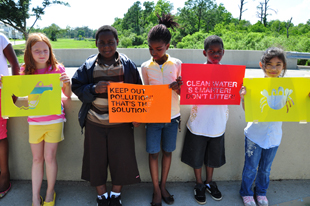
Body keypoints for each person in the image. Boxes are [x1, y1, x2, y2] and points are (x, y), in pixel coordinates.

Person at [71, 25, 141, 206]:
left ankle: (116, 194)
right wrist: (94, 88)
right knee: (96, 160)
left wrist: (137, 115)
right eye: (101, 43)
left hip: (122, 124)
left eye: (111, 42)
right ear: (96, 43)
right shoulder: (89, 65)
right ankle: (101, 195)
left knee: (121, 160)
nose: (106, 46)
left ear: (117, 42)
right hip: (95, 122)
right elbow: (76, 86)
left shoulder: (127, 65)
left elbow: (139, 92)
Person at [21, 33, 72, 206]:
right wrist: (5, 85)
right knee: (37, 159)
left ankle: (50, 193)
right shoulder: (24, 71)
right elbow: (18, 94)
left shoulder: (58, 69)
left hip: (54, 121)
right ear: (29, 52)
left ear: (50, 51)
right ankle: (35, 197)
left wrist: (67, 83)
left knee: (49, 157)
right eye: (37, 51)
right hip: (34, 121)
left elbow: (67, 95)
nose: (42, 54)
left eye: (45, 50)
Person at [141, 13, 182, 206]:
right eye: (150, 48)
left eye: (158, 49)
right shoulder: (145, 67)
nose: (153, 52)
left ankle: (163, 185)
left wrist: (178, 87)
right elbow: (145, 95)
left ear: (168, 46)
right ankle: (156, 189)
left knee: (167, 151)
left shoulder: (177, 64)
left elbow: (184, 93)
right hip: (153, 118)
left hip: (173, 117)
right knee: (153, 153)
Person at [239, 47, 288, 206]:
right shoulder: (255, 85)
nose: (274, 68)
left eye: (278, 64)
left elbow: (295, 107)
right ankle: (246, 193)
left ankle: (261, 192)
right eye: (269, 64)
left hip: (274, 136)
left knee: (266, 169)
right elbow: (249, 111)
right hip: (255, 135)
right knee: (251, 168)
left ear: (283, 66)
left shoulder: (290, 87)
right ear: (262, 65)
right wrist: (244, 98)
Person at [181, 35, 226, 205]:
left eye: (219, 52)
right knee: (197, 155)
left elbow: (233, 92)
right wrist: (183, 85)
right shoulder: (196, 72)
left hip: (218, 122)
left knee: (212, 156)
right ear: (204, 52)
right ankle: (199, 183)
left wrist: (241, 90)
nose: (215, 55)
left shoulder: (229, 73)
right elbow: (188, 92)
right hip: (198, 121)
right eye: (211, 52)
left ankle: (209, 181)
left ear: (224, 52)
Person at [0, 33, 20, 199]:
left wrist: (13, 90)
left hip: (1, 92)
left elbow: (15, 64)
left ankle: (4, 177)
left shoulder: (0, 37)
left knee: (0, 137)